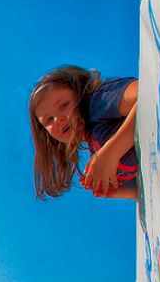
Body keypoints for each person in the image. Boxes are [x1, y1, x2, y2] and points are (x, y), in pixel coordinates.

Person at [29, 66, 138, 200]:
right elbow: (152, 186)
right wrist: (116, 192)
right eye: (49, 120)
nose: (58, 120)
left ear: (80, 93)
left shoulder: (100, 101)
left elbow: (147, 93)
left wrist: (111, 153)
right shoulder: (97, 148)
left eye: (64, 105)